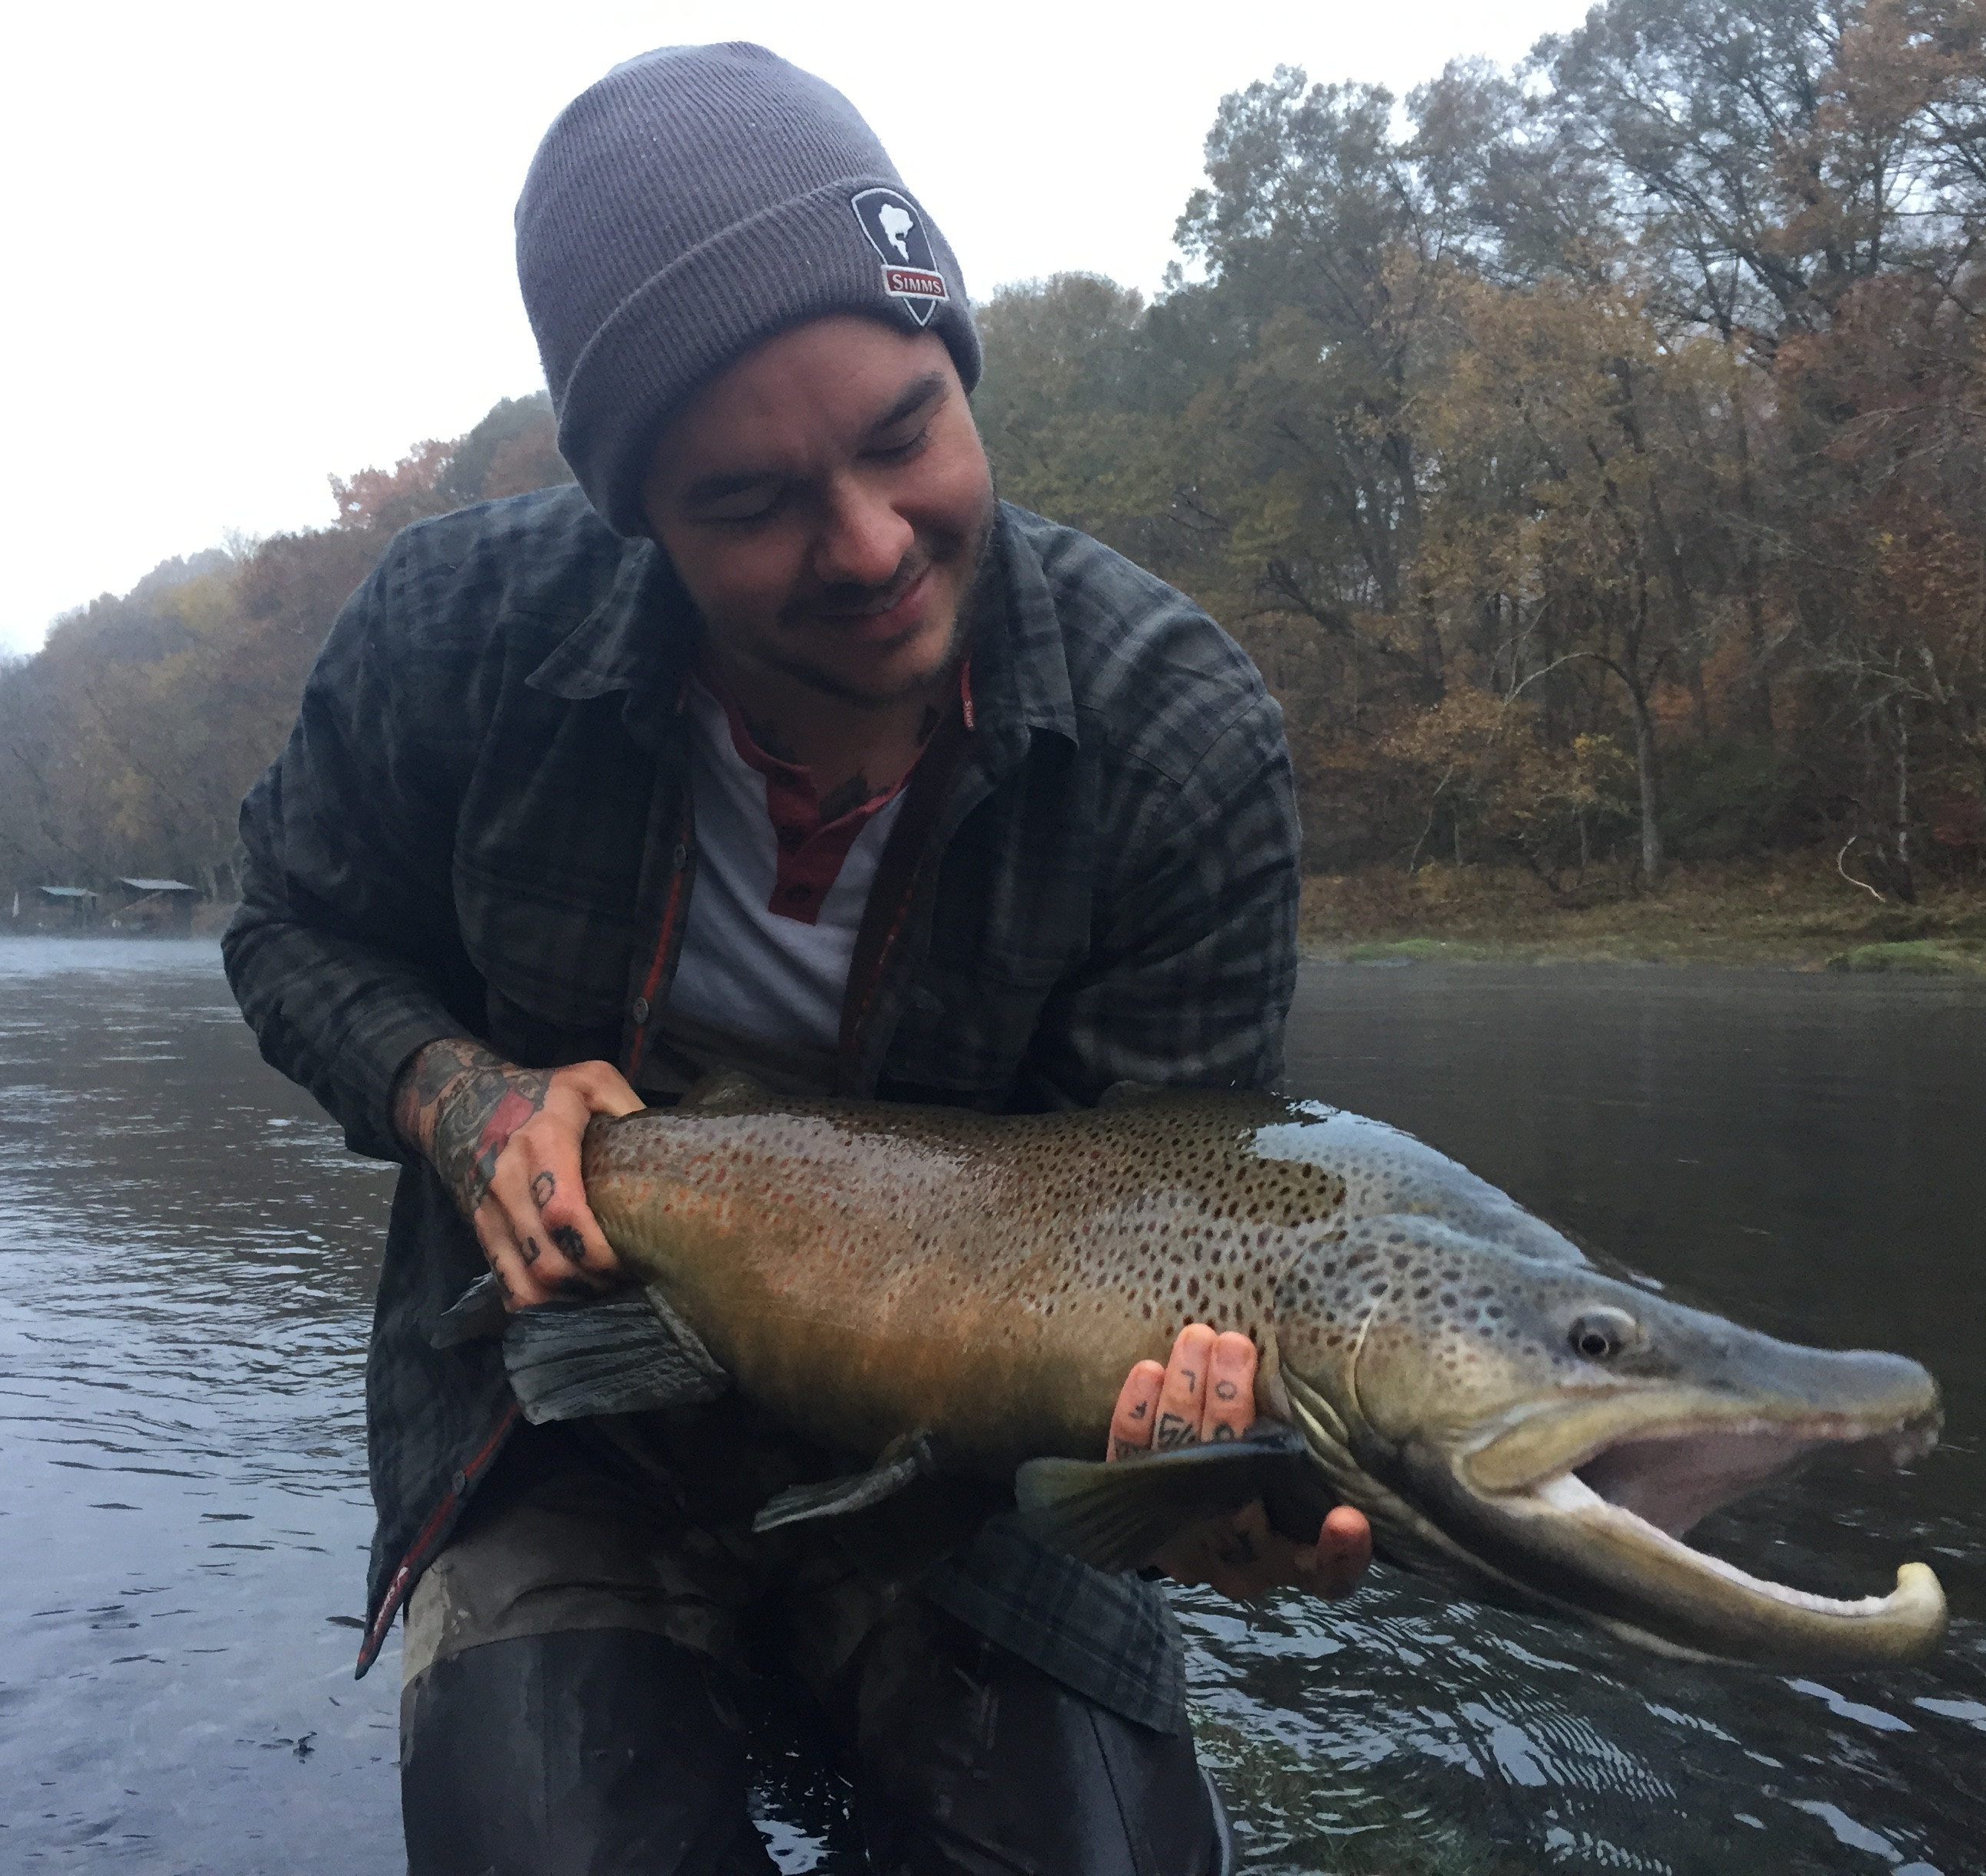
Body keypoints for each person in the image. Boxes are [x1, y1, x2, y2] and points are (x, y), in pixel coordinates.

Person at [222, 41, 1369, 1876]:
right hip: (555, 1404)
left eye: (907, 431)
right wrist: (456, 1099)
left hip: (966, 1479)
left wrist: (1197, 1489)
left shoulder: (1181, 738)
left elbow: (1197, 1200)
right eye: (749, 504)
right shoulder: (453, 640)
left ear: (960, 365)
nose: (868, 545)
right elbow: (289, 930)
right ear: (638, 514)